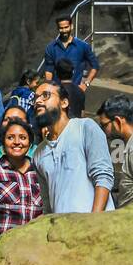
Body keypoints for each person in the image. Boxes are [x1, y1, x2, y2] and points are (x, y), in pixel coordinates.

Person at [31, 80, 114, 214]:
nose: (38, 101)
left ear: (64, 102)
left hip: (97, 227)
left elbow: (103, 177)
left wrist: (93, 221)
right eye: (35, 97)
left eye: (45, 95)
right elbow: (47, 202)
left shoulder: (85, 128)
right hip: (63, 231)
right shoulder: (38, 153)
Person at [0, 119, 44, 243]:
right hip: (1, 248)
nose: (17, 142)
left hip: (35, 247)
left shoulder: (39, 171)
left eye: (23, 137)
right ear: (3, 142)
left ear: (30, 143)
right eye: (10, 137)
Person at [42, 15, 100, 90]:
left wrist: (86, 84)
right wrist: (48, 88)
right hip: (57, 91)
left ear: (71, 26)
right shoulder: (51, 48)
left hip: (76, 91)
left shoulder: (83, 46)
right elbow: (48, 70)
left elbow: (95, 66)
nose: (64, 30)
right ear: (58, 28)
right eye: (61, 28)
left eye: (66, 27)